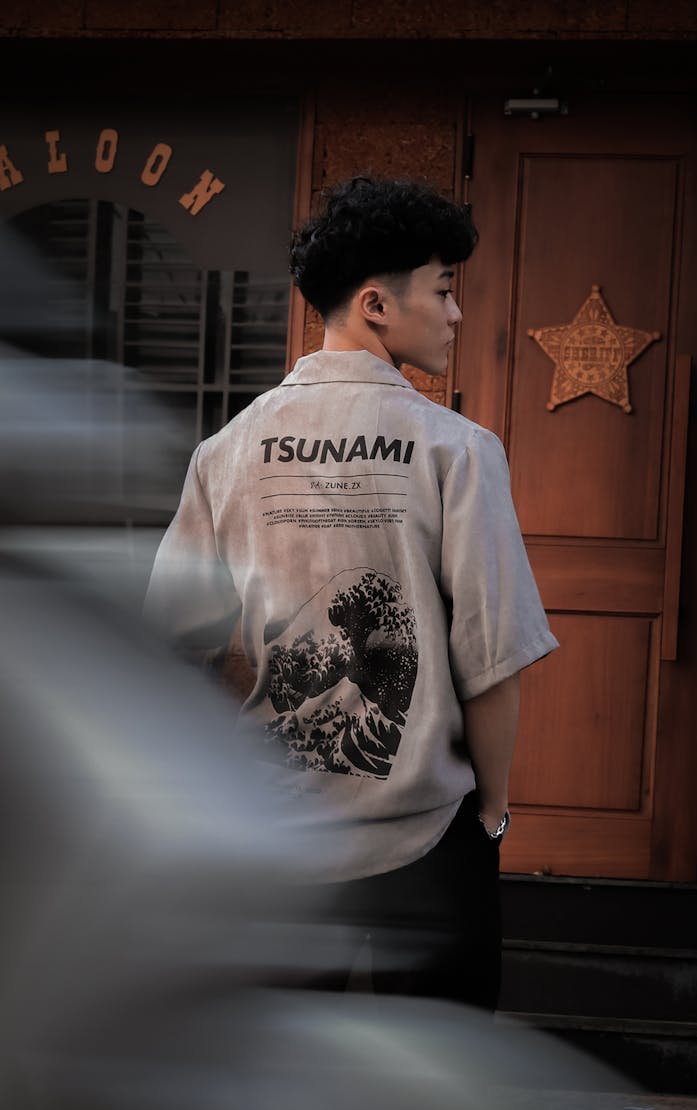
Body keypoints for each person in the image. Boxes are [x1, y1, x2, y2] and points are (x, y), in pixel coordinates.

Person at [143, 175, 559, 1012]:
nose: (456, 313)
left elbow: (173, 651)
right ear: (375, 303)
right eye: (443, 290)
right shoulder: (458, 450)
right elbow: (491, 659)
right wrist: (495, 816)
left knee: (277, 1082)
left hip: (274, 843)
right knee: (438, 1079)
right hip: (429, 838)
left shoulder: (227, 451)